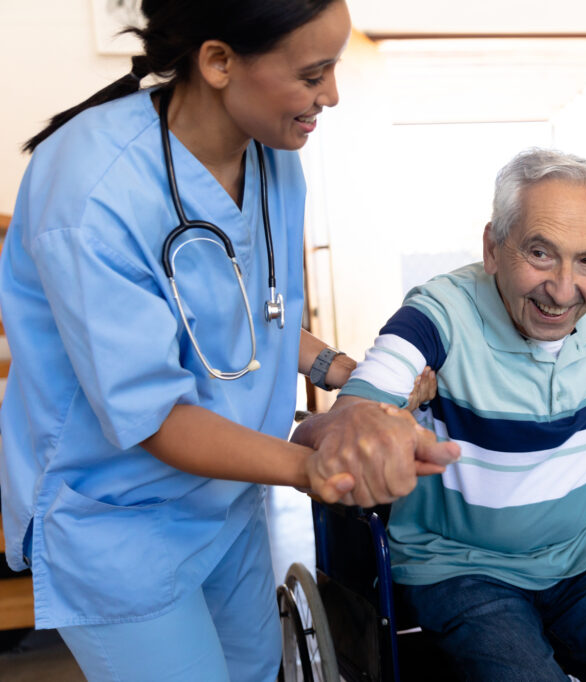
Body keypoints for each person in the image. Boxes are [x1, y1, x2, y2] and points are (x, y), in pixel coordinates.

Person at [0, 1, 457, 680]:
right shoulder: (92, 190)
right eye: (313, 74)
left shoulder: (275, 161)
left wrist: (337, 369)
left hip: (227, 498)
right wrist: (311, 465)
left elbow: (241, 313)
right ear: (218, 61)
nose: (331, 95)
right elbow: (152, 414)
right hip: (119, 523)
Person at [335, 148, 586, 681]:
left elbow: (584, 375)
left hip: (584, 550)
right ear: (492, 248)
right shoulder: (441, 314)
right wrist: (382, 413)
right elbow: (356, 411)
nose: (563, 288)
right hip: (464, 566)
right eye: (540, 253)